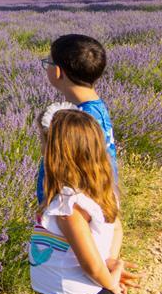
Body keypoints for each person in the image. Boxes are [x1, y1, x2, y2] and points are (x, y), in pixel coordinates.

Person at [30, 108, 126, 294]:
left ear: (57, 155)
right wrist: (111, 262)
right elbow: (115, 229)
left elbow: (90, 264)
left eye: (44, 144)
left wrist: (111, 280)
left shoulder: (68, 206)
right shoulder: (98, 191)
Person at [37, 34, 117, 205]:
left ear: (58, 72)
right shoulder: (95, 109)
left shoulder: (80, 120)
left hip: (72, 218)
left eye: (48, 62)